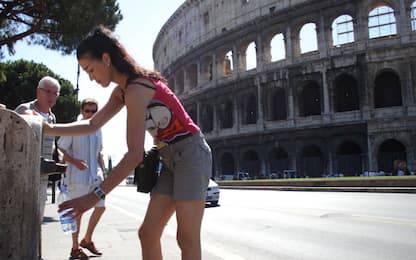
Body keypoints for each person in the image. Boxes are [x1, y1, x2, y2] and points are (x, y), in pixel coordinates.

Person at [43, 25, 212, 260]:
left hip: (192, 154)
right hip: (169, 158)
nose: (91, 77)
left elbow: (134, 155)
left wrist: (93, 197)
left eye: (91, 69)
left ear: (106, 58)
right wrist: (48, 128)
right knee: (148, 233)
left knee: (186, 238)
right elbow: (92, 125)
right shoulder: (123, 91)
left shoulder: (136, 88)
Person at [57, 98, 106, 259]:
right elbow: (60, 148)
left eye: (93, 111)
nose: (90, 114)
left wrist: (104, 172)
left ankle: (87, 239)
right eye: (87, 111)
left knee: (101, 207)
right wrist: (74, 162)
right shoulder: (74, 127)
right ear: (81, 111)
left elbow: (99, 153)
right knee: (78, 213)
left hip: (95, 177)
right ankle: (75, 247)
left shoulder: (98, 129)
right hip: (77, 177)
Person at [15, 76, 60, 222]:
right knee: (20, 218)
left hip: (42, 175)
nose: (51, 96)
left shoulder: (52, 117)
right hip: (22, 174)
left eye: (55, 93)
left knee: (37, 218)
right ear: (38, 92)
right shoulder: (25, 109)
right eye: (48, 91)